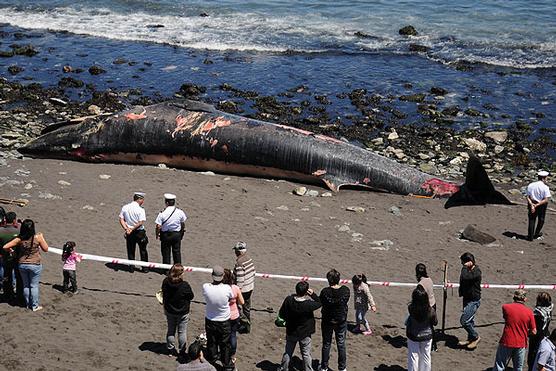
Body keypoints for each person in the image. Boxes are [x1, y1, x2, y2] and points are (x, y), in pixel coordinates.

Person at [2, 219, 48, 311]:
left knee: (26, 285)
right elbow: (45, 249)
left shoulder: (19, 239)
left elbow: (5, 247)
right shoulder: (37, 237)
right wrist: (42, 237)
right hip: (35, 264)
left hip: (22, 264)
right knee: (34, 285)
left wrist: (11, 251)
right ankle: (34, 306)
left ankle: (27, 303)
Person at [278, 280, 321, 371]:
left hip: (291, 330)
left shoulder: (289, 300)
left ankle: (283, 368)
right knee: (306, 353)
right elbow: (319, 303)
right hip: (305, 332)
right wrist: (313, 294)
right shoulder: (308, 304)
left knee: (288, 352)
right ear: (306, 292)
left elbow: (282, 313)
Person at [494, 289, 537, 371]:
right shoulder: (529, 312)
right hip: (521, 343)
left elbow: (506, 318)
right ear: (524, 299)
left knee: (499, 365)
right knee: (518, 368)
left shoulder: (506, 307)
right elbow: (534, 331)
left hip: (507, 340)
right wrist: (524, 332)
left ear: (514, 297)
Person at [202, 265, 234, 371]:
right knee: (225, 344)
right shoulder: (227, 288)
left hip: (210, 319)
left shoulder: (206, 287)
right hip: (224, 320)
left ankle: (212, 360)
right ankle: (227, 365)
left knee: (212, 342)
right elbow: (231, 299)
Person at [319, 269, 350, 371]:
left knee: (326, 344)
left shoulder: (325, 292)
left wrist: (313, 295)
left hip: (328, 321)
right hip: (340, 320)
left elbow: (321, 302)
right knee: (341, 344)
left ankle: (324, 367)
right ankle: (342, 368)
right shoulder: (345, 290)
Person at [162, 264, 194, 357]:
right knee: (182, 332)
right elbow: (191, 296)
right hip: (182, 312)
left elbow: (163, 293)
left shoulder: (166, 282)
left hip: (170, 310)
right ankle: (182, 351)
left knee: (171, 330)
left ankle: (171, 349)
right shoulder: (184, 285)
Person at [406, 285, 437, 371]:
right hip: (427, 335)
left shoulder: (411, 308)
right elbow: (435, 322)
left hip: (413, 335)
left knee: (413, 356)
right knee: (426, 356)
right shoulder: (430, 311)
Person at [119, 192, 149, 272]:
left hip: (129, 232)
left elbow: (121, 219)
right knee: (143, 250)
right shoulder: (141, 210)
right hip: (139, 232)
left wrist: (127, 229)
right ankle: (145, 268)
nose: (143, 201)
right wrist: (132, 229)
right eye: (142, 199)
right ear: (139, 199)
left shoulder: (125, 207)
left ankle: (131, 267)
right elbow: (140, 222)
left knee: (130, 249)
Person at [457, 252, 482, 350]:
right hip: (467, 298)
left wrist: (464, 267)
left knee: (464, 321)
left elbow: (465, 277)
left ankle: (476, 337)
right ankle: (470, 339)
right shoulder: (468, 270)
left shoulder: (476, 272)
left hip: (473, 300)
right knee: (470, 320)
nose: (462, 265)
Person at [155, 193, 187, 265]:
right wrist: (181, 233)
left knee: (166, 253)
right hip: (176, 234)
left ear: (166, 203)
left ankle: (166, 270)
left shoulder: (162, 213)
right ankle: (177, 269)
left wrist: (157, 234)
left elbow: (158, 226)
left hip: (165, 235)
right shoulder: (180, 212)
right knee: (177, 252)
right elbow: (182, 223)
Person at [222, 268, 244, 364]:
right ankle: (232, 353)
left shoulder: (221, 289)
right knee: (233, 335)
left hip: (224, 315)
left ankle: (224, 353)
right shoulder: (235, 288)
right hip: (234, 314)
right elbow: (242, 302)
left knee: (223, 336)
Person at [0, 211, 22, 302]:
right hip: (17, 258)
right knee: (18, 277)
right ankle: (19, 294)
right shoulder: (19, 231)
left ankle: (7, 293)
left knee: (6, 276)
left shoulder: (0, 231)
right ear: (14, 220)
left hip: (5, 257)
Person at [528, 293, 553, 371]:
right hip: (545, 334)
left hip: (537, 338)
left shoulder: (538, 314)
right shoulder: (549, 308)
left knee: (532, 358)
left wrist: (528, 333)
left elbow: (536, 329)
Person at [416, 263, 437, 351]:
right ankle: (434, 345)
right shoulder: (429, 279)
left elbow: (421, 298)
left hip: (426, 307)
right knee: (431, 326)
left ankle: (431, 345)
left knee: (426, 327)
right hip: (433, 304)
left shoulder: (420, 284)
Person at [232, 241, 255, 322]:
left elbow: (240, 280)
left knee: (236, 306)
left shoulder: (239, 263)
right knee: (247, 307)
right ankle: (248, 322)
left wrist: (237, 291)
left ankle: (242, 323)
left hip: (243, 290)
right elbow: (253, 272)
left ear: (238, 251)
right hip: (250, 287)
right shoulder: (249, 259)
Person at [526, 170, 551, 241]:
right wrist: (537, 205)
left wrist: (532, 205)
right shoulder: (545, 187)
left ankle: (530, 237)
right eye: (546, 178)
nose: (547, 179)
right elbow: (546, 200)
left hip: (532, 203)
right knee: (541, 220)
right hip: (541, 205)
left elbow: (528, 196)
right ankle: (536, 234)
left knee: (532, 219)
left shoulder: (531, 185)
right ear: (543, 178)